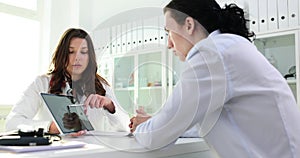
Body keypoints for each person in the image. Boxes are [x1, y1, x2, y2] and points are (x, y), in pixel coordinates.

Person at [129, 0, 300, 157]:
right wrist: (156, 123)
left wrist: (140, 128)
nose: (168, 44)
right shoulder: (228, 46)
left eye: (169, 32)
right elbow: (202, 121)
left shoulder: (211, 55)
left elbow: (156, 137)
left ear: (189, 25)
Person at [6, 28, 130, 135]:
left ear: (90, 56)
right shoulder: (42, 83)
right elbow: (12, 123)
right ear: (62, 55)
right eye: (71, 52)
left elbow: (126, 128)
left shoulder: (101, 86)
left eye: (84, 52)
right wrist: (51, 127)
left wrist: (110, 106)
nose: (77, 57)